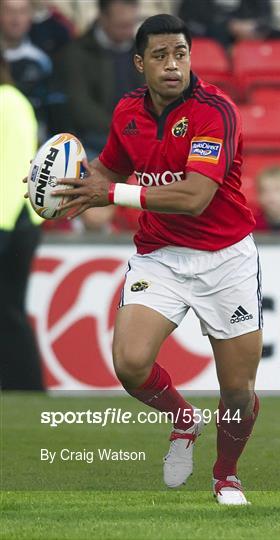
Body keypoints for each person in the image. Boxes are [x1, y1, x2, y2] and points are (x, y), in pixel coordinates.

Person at [32, 14, 263, 505]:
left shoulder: (213, 111)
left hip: (225, 259)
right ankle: (184, 420)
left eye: (180, 53)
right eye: (160, 55)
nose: (173, 64)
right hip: (160, 255)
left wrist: (110, 192)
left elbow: (196, 196)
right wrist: (62, 186)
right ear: (140, 63)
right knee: (130, 364)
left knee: (238, 392)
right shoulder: (128, 111)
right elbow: (108, 169)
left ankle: (226, 475)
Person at [0, 53, 44, 390]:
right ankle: (26, 384)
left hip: (6, 219)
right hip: (24, 219)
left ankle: (25, 384)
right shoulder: (19, 102)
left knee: (9, 310)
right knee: (11, 308)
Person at [57, 0, 143, 158]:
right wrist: (122, 128)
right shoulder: (76, 54)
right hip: (95, 138)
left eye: (131, 24)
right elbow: (80, 106)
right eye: (121, 25)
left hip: (141, 135)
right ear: (103, 18)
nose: (128, 31)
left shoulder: (143, 51)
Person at [0, 0, 52, 135]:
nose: (15, 19)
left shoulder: (41, 61)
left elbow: (48, 110)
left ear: (31, 16)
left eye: (22, 11)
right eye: (9, 11)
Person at [178, 0, 280, 48]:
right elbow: (189, 24)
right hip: (211, 41)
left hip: (253, 42)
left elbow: (266, 19)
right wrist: (227, 27)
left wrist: (253, 28)